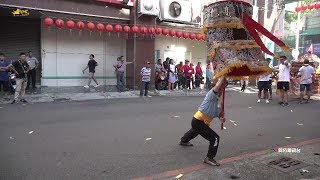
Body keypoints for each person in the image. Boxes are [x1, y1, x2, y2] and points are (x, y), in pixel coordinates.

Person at [179, 76, 227, 166]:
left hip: (201, 123)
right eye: (220, 89)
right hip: (198, 120)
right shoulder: (210, 95)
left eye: (223, 89)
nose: (221, 91)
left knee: (195, 131)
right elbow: (216, 86)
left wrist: (222, 119)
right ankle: (209, 158)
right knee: (215, 138)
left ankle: (184, 140)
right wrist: (223, 77)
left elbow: (219, 116)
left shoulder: (219, 103)